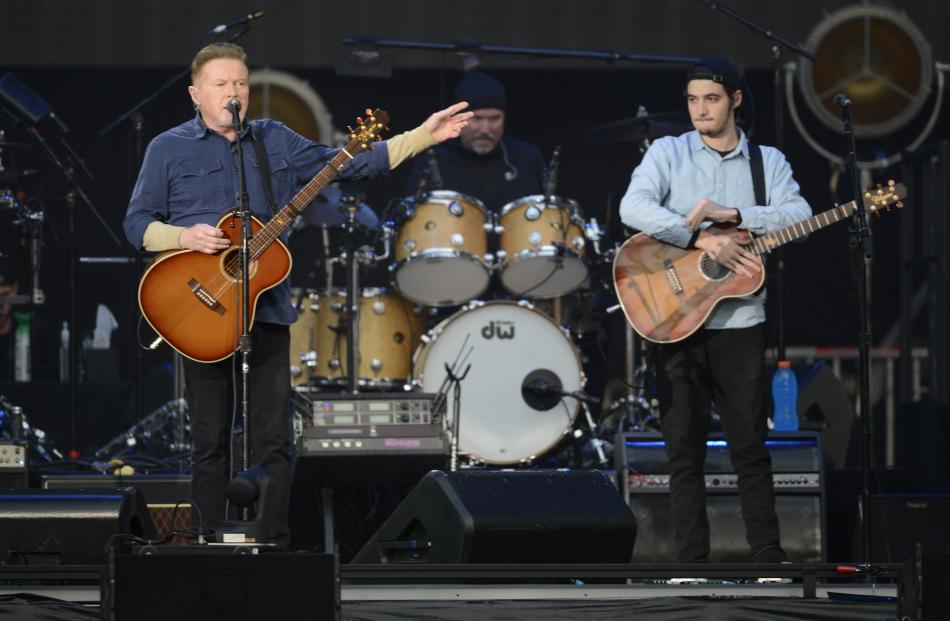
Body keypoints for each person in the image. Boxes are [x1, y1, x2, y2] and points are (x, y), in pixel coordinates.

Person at [122, 42, 472, 545]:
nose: (233, 92)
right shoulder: (167, 148)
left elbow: (350, 164)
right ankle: (202, 541)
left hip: (266, 309)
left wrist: (423, 136)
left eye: (240, 83)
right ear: (196, 94)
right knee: (208, 439)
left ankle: (271, 541)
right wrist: (184, 237)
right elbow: (136, 224)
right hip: (200, 309)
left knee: (272, 439)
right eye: (221, 84)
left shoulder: (273, 141)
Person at [618, 57, 812, 563]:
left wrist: (738, 215)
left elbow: (800, 212)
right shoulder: (669, 151)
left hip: (741, 320)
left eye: (711, 99)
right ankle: (690, 564)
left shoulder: (766, 161)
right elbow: (632, 207)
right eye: (692, 100)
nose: (700, 110)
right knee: (684, 449)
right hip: (677, 316)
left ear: (735, 101)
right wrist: (701, 239)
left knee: (749, 443)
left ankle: (768, 557)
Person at [405, 71, 545, 212]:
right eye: (477, 118)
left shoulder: (527, 157)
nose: (485, 129)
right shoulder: (434, 159)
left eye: (494, 118)